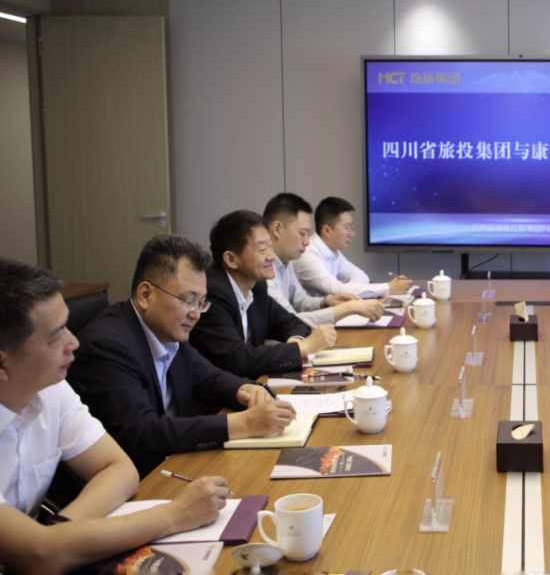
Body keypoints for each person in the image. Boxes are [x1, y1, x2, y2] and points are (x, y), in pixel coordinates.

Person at [0, 257, 230, 575]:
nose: (73, 342)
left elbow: (120, 469)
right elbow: (40, 555)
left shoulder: (49, 388)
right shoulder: (98, 349)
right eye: (55, 337)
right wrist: (176, 515)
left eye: (67, 325)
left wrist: (60, 533)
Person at [68, 236, 298, 478]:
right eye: (188, 301)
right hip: (137, 479)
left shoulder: (168, 331)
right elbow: (143, 433)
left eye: (201, 303)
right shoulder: (106, 347)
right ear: (145, 294)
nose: (196, 314)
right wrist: (245, 424)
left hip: (172, 463)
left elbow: (209, 378)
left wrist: (247, 390)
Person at [189, 210, 335, 379]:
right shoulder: (212, 293)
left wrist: (296, 342)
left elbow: (289, 322)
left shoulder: (256, 286)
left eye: (270, 246)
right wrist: (301, 349)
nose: (271, 256)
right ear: (231, 259)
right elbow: (236, 358)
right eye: (262, 249)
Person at [263, 193, 385, 328]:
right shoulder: (262, 270)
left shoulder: (287, 262)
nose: (307, 241)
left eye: (307, 234)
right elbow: (289, 319)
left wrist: (326, 301)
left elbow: (300, 302)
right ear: (277, 229)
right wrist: (349, 308)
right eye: (302, 234)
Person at [294, 197, 413, 298]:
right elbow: (338, 292)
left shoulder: (333, 252)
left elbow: (361, 276)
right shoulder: (307, 254)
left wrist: (350, 289)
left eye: (352, 227)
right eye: (347, 228)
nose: (352, 234)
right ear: (327, 230)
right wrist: (389, 288)